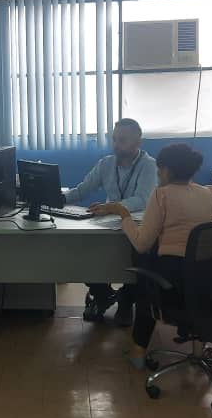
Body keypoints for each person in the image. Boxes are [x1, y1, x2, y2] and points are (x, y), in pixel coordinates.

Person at [92, 143, 212, 368]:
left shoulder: (161, 195)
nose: (157, 174)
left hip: (173, 285)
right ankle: (198, 348)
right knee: (156, 269)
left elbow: (141, 244)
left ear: (166, 170)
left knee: (145, 272)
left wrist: (123, 214)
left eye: (159, 169)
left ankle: (138, 351)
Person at [63, 118, 158, 325]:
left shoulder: (149, 165)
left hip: (137, 225)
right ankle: (103, 294)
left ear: (138, 142)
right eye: (114, 139)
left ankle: (126, 299)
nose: (116, 145)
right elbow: (82, 189)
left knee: (136, 263)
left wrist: (112, 207)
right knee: (83, 254)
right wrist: (59, 198)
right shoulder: (106, 163)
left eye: (122, 140)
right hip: (107, 224)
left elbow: (143, 199)